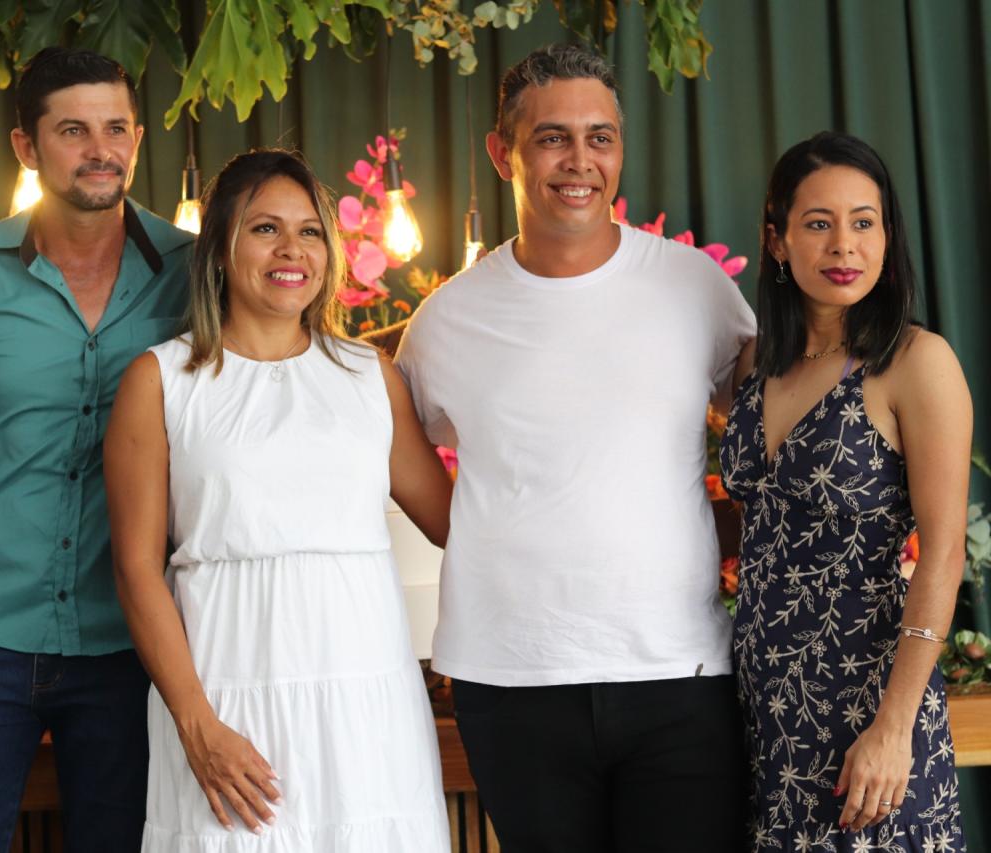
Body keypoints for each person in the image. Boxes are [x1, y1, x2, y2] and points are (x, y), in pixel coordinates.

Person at [394, 44, 756, 851]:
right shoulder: (448, 319)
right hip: (510, 677)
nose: (580, 161)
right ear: (503, 153)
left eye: (601, 137)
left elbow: (773, 430)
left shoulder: (696, 287)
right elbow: (395, 455)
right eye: (553, 137)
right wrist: (481, 530)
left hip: (679, 670)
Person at [0, 47, 192, 851]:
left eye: (117, 128)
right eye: (73, 130)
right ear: (26, 145)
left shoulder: (194, 274)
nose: (101, 149)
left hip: (133, 645)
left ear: (138, 137)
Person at [104, 148, 453, 851]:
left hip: (367, 703)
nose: (292, 249)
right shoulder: (161, 381)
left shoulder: (369, 377)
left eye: (310, 231)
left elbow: (457, 524)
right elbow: (136, 569)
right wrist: (197, 725)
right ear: (220, 249)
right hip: (226, 697)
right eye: (265, 228)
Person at [721, 131, 970, 851]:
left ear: (887, 236)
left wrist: (894, 727)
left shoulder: (916, 362)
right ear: (776, 240)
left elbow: (944, 553)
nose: (844, 245)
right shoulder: (756, 365)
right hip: (763, 710)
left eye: (864, 222)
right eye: (818, 223)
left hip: (869, 703)